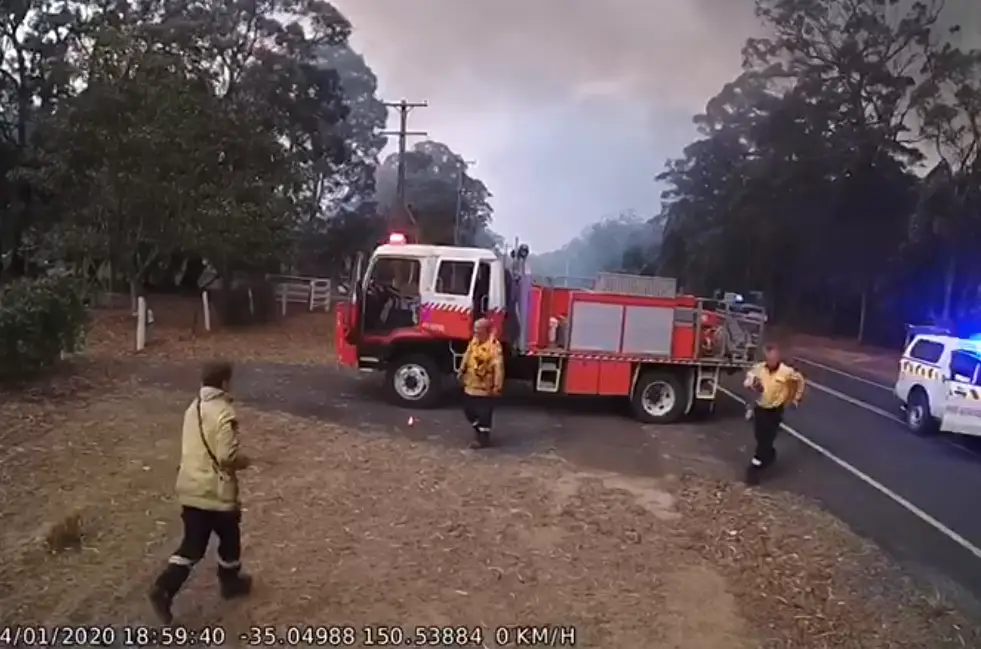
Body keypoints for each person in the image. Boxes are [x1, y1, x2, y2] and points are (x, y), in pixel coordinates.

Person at [149, 361, 253, 623]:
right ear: (225, 383)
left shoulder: (192, 408)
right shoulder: (224, 413)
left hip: (190, 488)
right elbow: (226, 457)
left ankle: (164, 588)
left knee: (192, 545)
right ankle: (230, 583)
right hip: (216, 493)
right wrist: (244, 461)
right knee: (230, 540)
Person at [742, 342, 805, 485]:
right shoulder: (759, 369)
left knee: (766, 439)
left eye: (773, 359)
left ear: (778, 358)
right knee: (760, 436)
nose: (770, 361)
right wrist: (751, 384)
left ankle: (754, 469)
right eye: (768, 358)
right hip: (761, 408)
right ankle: (769, 455)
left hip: (775, 411)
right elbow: (749, 379)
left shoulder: (786, 372)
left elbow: (800, 381)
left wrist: (796, 398)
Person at [457, 318, 504, 449]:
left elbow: (498, 367)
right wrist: (461, 370)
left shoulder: (494, 347)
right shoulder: (474, 342)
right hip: (471, 384)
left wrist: (497, 386)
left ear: (486, 331)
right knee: (468, 410)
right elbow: (467, 355)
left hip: (485, 387)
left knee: (484, 413)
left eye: (478, 329)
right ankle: (479, 429)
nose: (475, 331)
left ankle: (483, 439)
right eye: (475, 328)